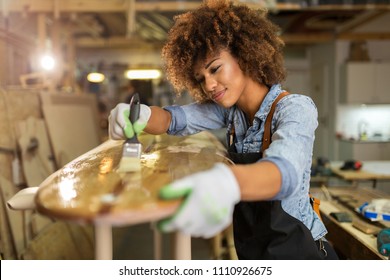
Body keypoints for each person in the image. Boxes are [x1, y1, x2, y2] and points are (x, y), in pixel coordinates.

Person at [109, 0, 338, 260]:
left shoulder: (295, 108)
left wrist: (228, 182)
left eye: (215, 69)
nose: (209, 85)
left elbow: (285, 174)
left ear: (244, 55)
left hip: (300, 257)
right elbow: (174, 120)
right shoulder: (230, 111)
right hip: (254, 255)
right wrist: (138, 114)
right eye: (200, 78)